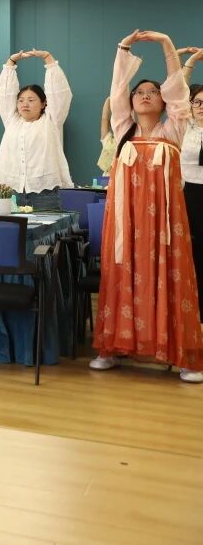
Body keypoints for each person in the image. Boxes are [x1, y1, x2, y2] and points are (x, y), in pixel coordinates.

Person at [91, 30, 202, 382]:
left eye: (152, 92)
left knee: (171, 275)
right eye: (139, 92)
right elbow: (117, 89)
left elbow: (178, 89)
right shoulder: (124, 128)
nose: (144, 95)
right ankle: (112, 348)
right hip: (125, 221)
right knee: (122, 273)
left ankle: (184, 357)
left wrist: (167, 44)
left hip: (165, 223)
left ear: (164, 102)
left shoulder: (174, 130)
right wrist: (123, 49)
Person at [0, 49, 73, 211]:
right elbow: (5, 94)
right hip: (11, 191)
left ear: (43, 103)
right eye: (21, 100)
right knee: (14, 228)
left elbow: (59, 94)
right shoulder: (11, 120)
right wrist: (10, 63)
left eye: (31, 100)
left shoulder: (51, 120)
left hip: (44, 193)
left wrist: (48, 59)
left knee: (48, 227)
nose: (25, 104)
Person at [181, 47, 203, 321]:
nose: (201, 106)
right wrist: (192, 60)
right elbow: (178, 88)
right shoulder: (185, 126)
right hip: (188, 193)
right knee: (191, 252)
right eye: (197, 102)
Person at [96, 98, 116, 178]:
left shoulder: (128, 140)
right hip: (107, 177)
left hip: (123, 176)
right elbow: (104, 119)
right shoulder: (108, 140)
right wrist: (109, 99)